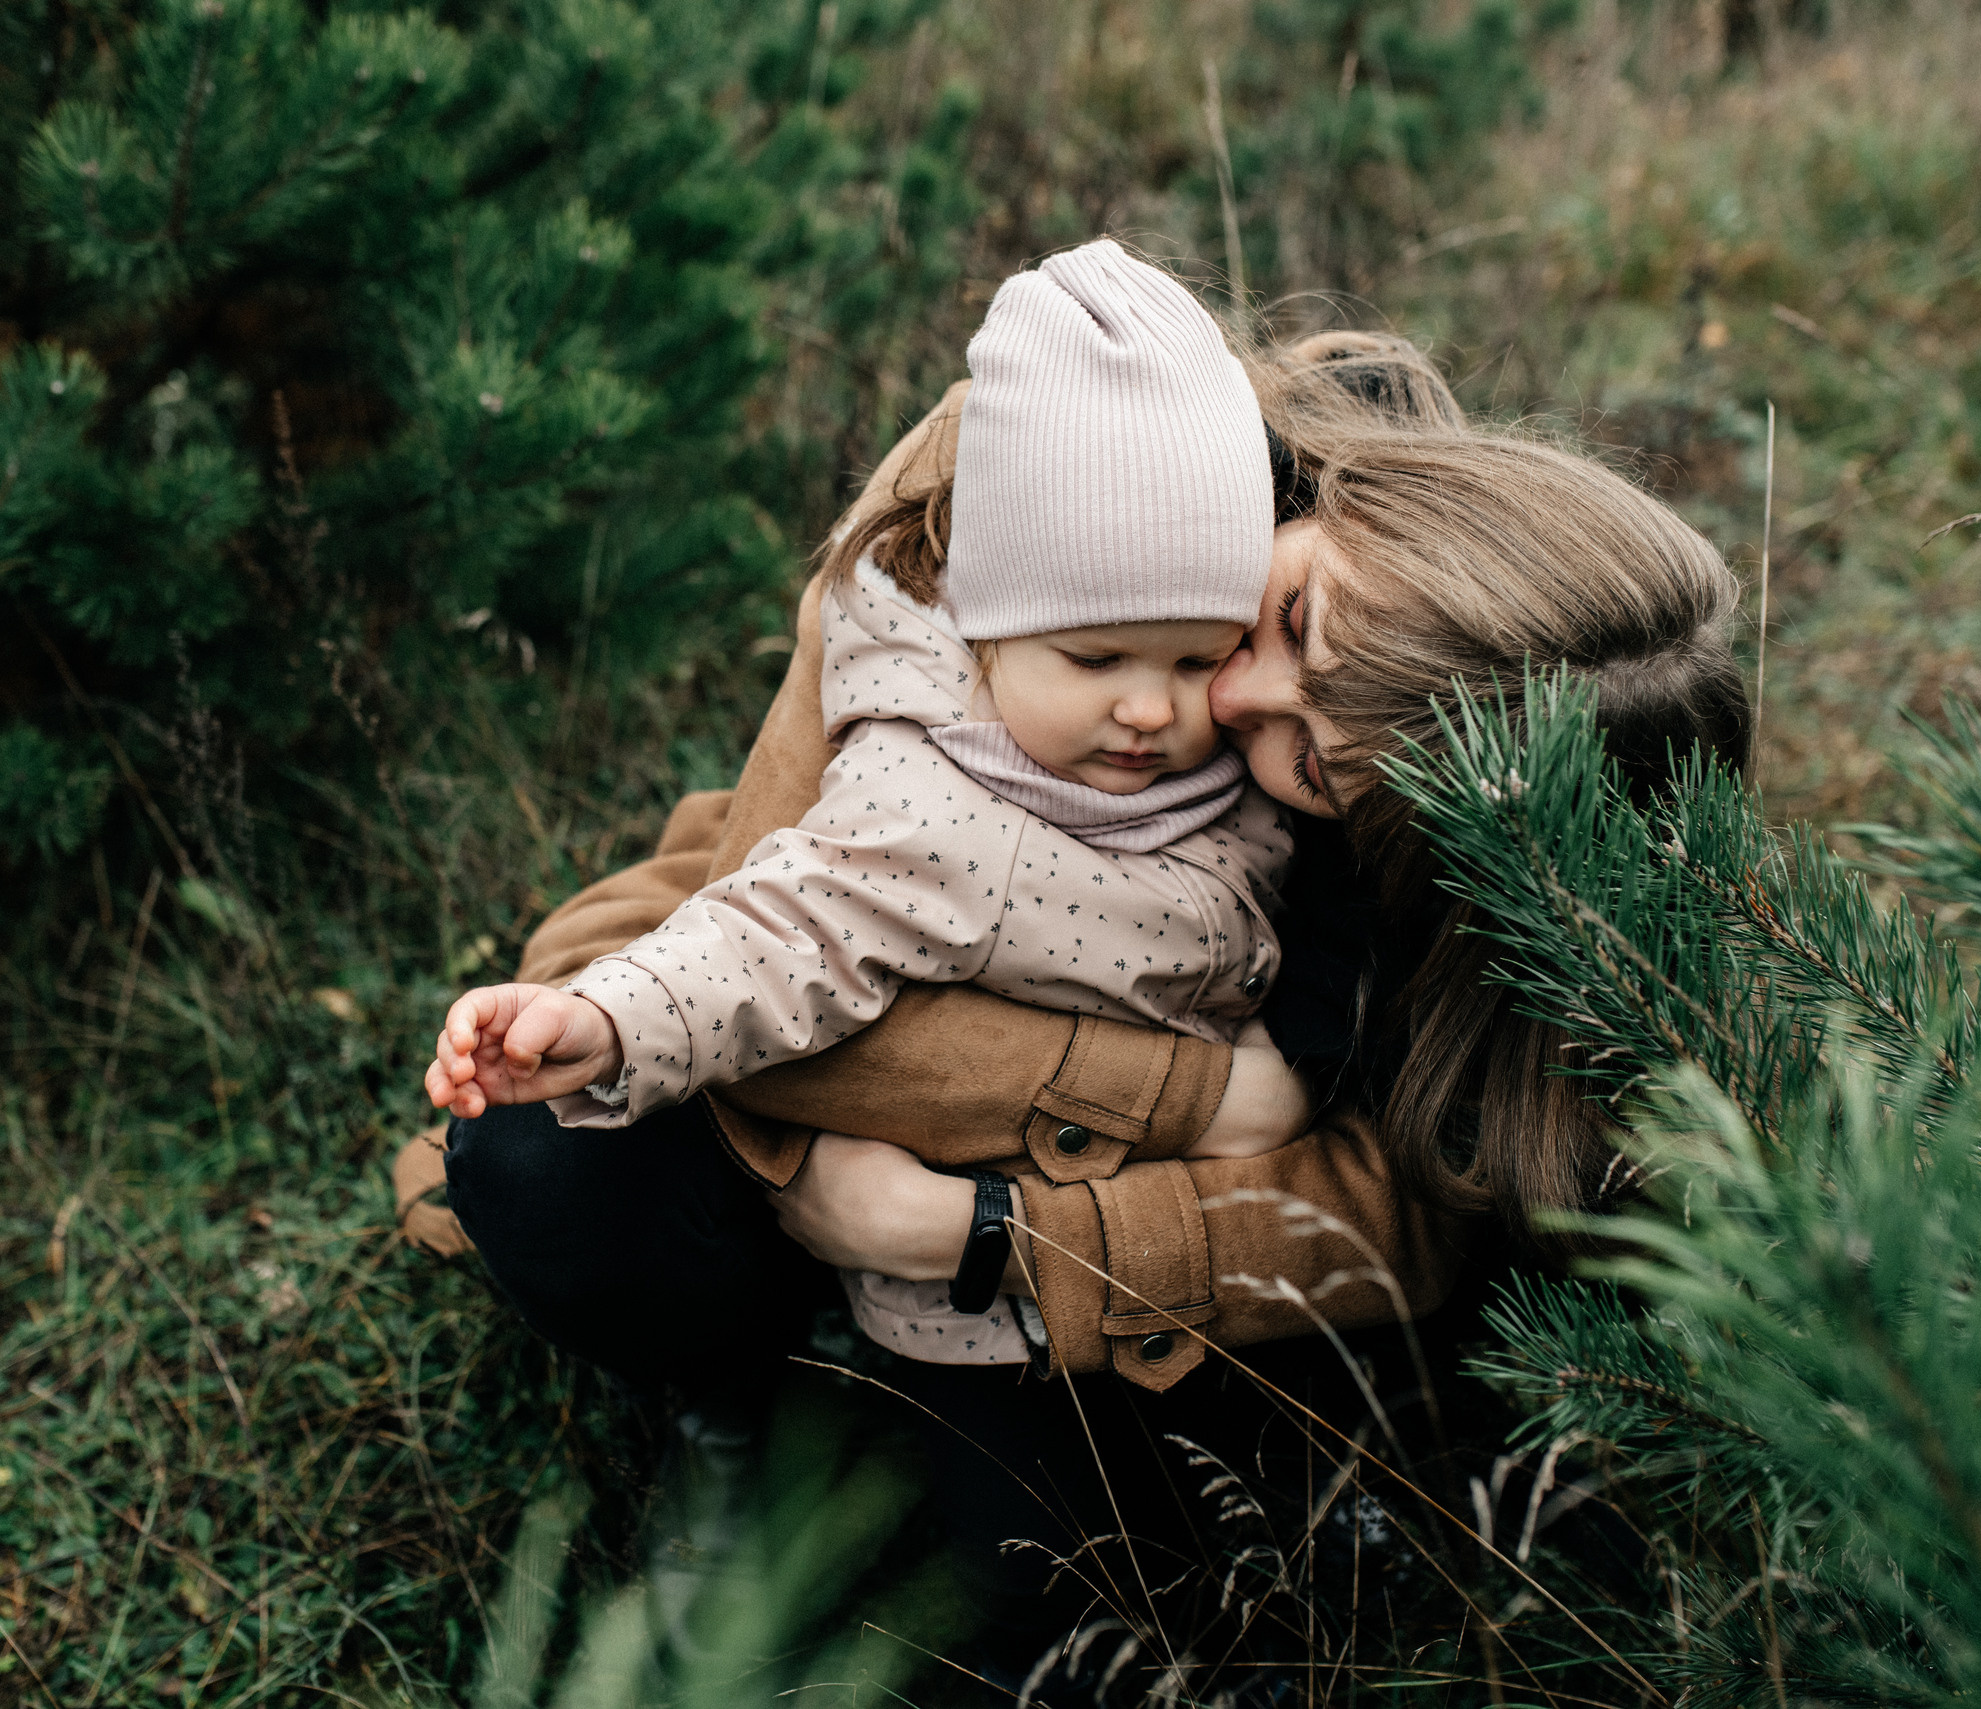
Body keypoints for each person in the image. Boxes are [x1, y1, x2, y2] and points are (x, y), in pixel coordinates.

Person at [415, 305, 1751, 1690]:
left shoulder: (1428, 837)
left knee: (1062, 1616)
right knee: (543, 1155)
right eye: (1294, 619)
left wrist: (983, 1232)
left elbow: (1395, 1207)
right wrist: (1203, 1098)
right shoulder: (1038, 467)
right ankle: (739, 1387)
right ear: (1378, 504)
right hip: (787, 986)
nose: (1232, 700)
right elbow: (782, 923)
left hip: (1070, 1219)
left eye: (1311, 758)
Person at [427, 242, 1318, 1370]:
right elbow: (783, 929)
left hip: (1132, 1276)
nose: (1149, 708)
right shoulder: (939, 805)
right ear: (985, 632)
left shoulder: (1261, 740)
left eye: (1197, 660)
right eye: (1095, 659)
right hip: (966, 1313)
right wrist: (608, 1020)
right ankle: (733, 1394)